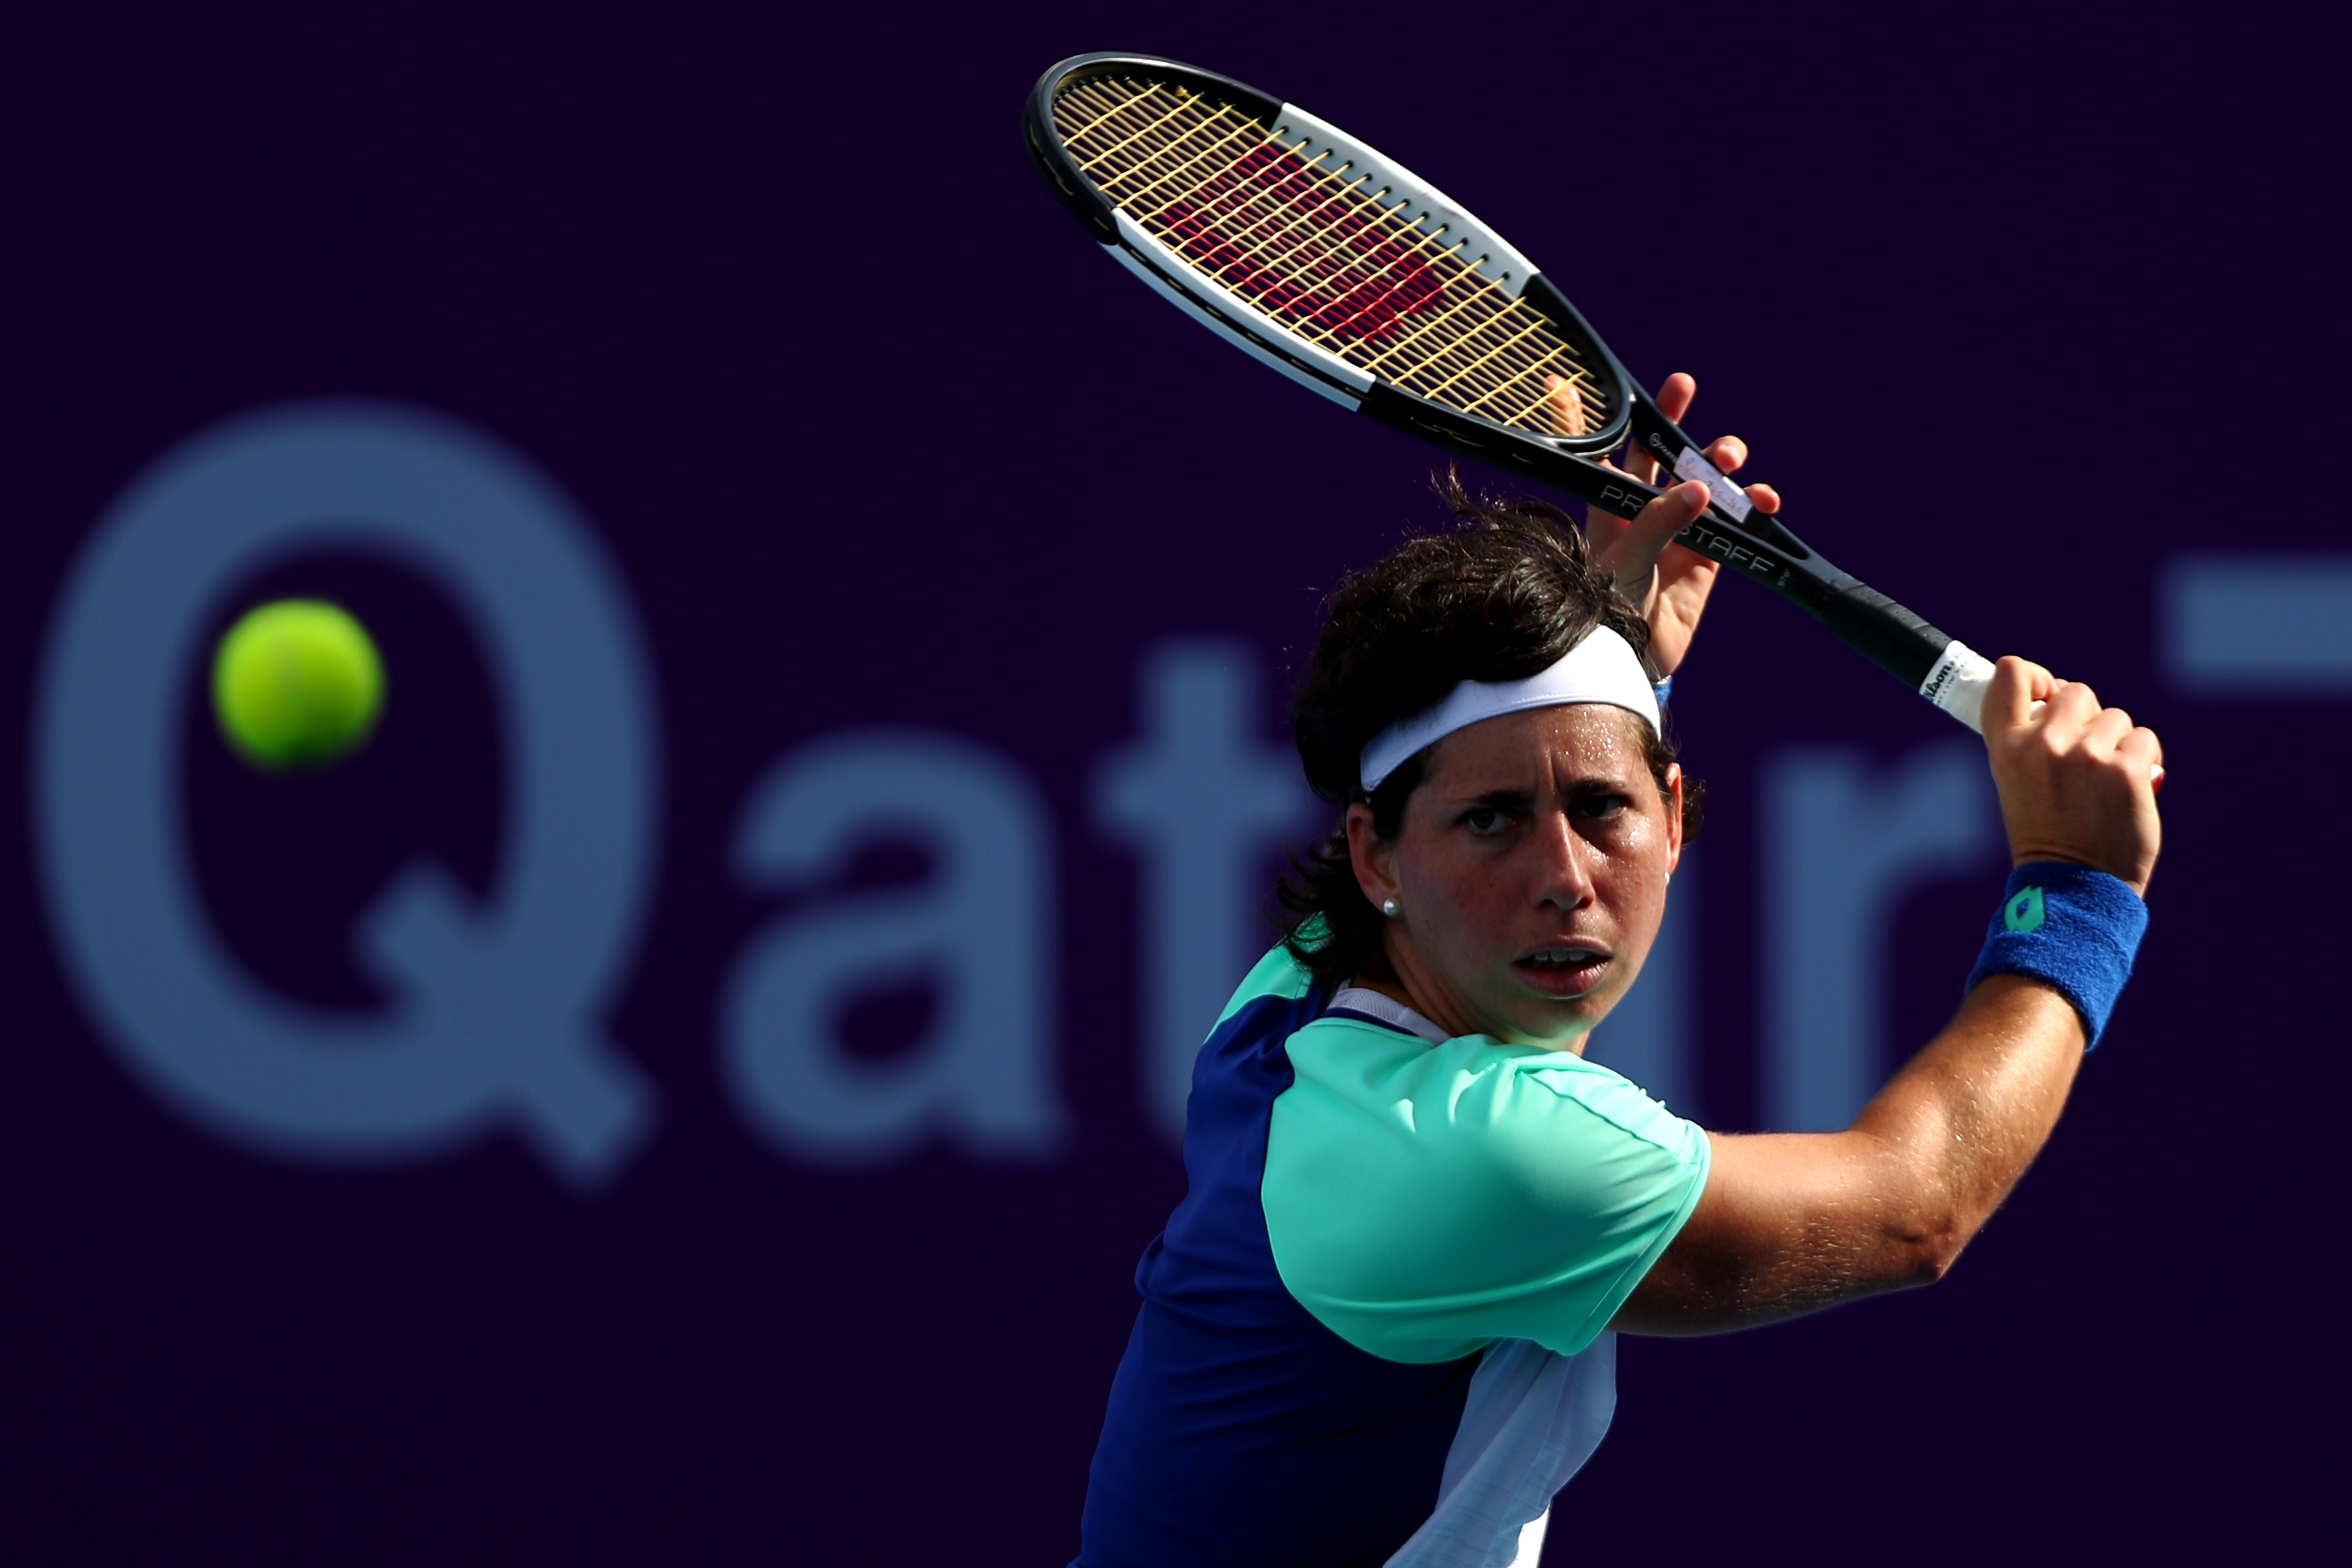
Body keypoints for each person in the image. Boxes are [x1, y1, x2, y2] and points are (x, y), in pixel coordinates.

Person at [1070, 376, 2163, 1568]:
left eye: (1603, 808)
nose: (1566, 877)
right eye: (1491, 821)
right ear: (1376, 850)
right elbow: (1911, 1213)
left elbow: (1537, 789)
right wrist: (2080, 888)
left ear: (1674, 816)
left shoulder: (1296, 1002)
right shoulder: (1476, 1153)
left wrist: (1616, 650)